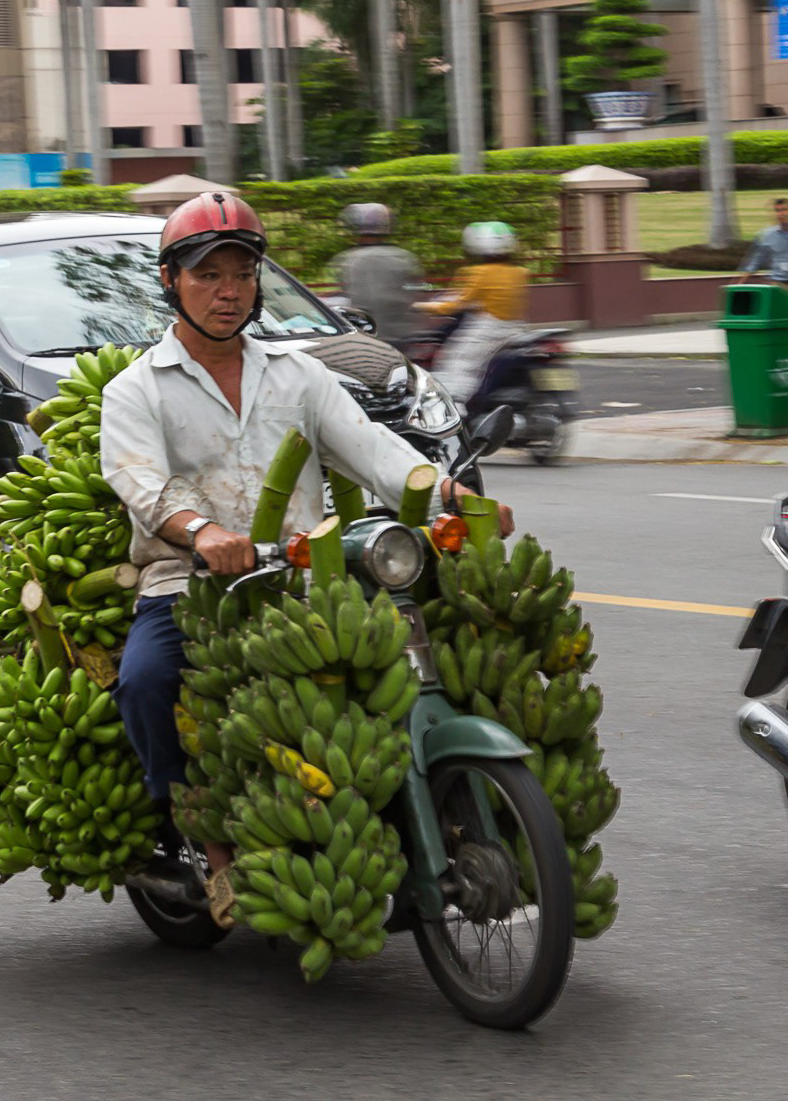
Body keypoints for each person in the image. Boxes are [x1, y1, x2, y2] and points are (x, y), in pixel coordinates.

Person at [101, 191, 513, 925]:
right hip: (193, 582)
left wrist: (449, 492)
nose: (229, 292)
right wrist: (200, 530)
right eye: (208, 275)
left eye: (243, 273)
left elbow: (377, 452)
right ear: (171, 281)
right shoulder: (137, 389)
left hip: (307, 575)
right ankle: (199, 832)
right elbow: (141, 482)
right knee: (144, 679)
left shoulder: (299, 375)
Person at [414, 221, 529, 407]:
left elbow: (458, 304)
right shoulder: (518, 272)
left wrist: (423, 306)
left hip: (488, 329)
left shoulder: (480, 272)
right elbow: (490, 295)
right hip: (515, 328)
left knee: (458, 361)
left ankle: (454, 407)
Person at [326, 203, 422, 346]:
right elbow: (416, 291)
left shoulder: (348, 260)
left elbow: (346, 295)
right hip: (401, 334)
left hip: (365, 336)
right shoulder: (405, 258)